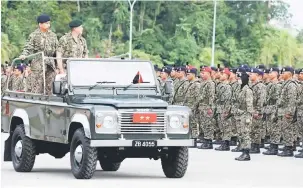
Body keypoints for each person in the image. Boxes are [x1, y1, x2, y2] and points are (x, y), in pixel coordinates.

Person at [19, 14, 58, 95]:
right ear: (40, 24)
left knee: (50, 87)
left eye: (49, 23)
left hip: (50, 63)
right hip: (38, 63)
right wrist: (23, 54)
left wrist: (58, 65)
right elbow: (28, 47)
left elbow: (57, 50)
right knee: (37, 87)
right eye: (46, 23)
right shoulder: (34, 35)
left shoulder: (53, 35)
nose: (48, 25)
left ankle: (49, 103)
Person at [276, 67, 297, 157]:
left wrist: (290, 112)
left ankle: (289, 149)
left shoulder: (291, 85)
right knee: (284, 129)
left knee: (288, 130)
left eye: (284, 72)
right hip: (283, 110)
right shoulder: (286, 84)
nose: (282, 74)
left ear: (289, 74)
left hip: (287, 111)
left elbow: (292, 100)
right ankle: (287, 146)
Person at [234, 70, 253, 161]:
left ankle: (246, 153)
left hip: (245, 115)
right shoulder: (240, 89)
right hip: (240, 114)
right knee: (241, 133)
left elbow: (249, 104)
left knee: (245, 134)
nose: (238, 80)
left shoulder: (247, 90)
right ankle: (243, 151)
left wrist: (249, 117)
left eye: (240, 78)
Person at [196, 67, 215, 149]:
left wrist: (210, 107)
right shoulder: (203, 83)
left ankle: (209, 142)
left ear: (209, 73)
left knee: (208, 125)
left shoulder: (210, 83)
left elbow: (211, 96)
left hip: (207, 107)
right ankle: (205, 140)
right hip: (202, 106)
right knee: (203, 124)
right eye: (201, 73)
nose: (201, 74)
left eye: (204, 73)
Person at [248, 68, 266, 153]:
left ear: (258, 75)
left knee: (256, 129)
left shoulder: (260, 86)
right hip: (251, 110)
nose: (250, 75)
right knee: (251, 129)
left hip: (256, 110)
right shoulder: (252, 85)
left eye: (252, 73)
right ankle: (252, 145)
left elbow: (261, 100)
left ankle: (256, 146)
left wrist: (258, 111)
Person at [215, 68, 233, 151]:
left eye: (222, 74)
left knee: (226, 127)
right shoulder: (220, 85)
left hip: (224, 109)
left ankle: (226, 144)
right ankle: (223, 142)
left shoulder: (227, 87)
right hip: (220, 108)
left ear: (226, 76)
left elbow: (228, 100)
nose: (220, 75)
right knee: (222, 126)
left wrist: (226, 111)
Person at [183, 68, 201, 140]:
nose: (187, 76)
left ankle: (194, 138)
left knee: (193, 123)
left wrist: (195, 107)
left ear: (193, 75)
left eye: (188, 74)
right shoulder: (189, 83)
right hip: (188, 106)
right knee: (188, 122)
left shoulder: (196, 84)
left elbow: (197, 97)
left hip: (193, 107)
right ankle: (190, 136)